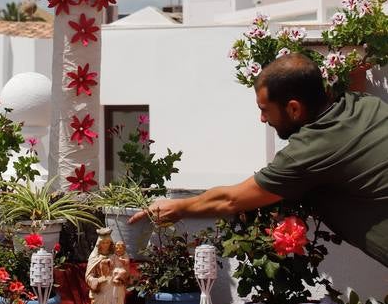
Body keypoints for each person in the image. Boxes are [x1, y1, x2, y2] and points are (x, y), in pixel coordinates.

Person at [129, 53, 388, 267]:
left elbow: (231, 199)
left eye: (265, 110)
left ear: (294, 108)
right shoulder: (365, 104)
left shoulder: (309, 151)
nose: (263, 119)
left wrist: (180, 207)